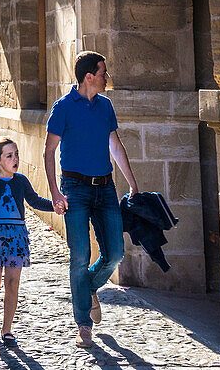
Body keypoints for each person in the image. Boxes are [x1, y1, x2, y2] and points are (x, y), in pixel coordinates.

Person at [44, 51, 138, 349]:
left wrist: (133, 184)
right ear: (89, 77)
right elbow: (48, 152)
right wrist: (55, 193)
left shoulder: (106, 106)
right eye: (103, 72)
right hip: (74, 189)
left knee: (115, 254)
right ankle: (83, 324)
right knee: (80, 256)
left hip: (106, 188)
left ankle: (87, 289)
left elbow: (115, 144)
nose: (106, 77)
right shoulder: (63, 108)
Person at [0, 137, 53, 347]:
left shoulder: (21, 181)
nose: (15, 159)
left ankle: (6, 329)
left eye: (16, 154)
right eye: (9, 156)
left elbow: (35, 200)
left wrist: (57, 205)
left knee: (12, 283)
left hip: (16, 237)